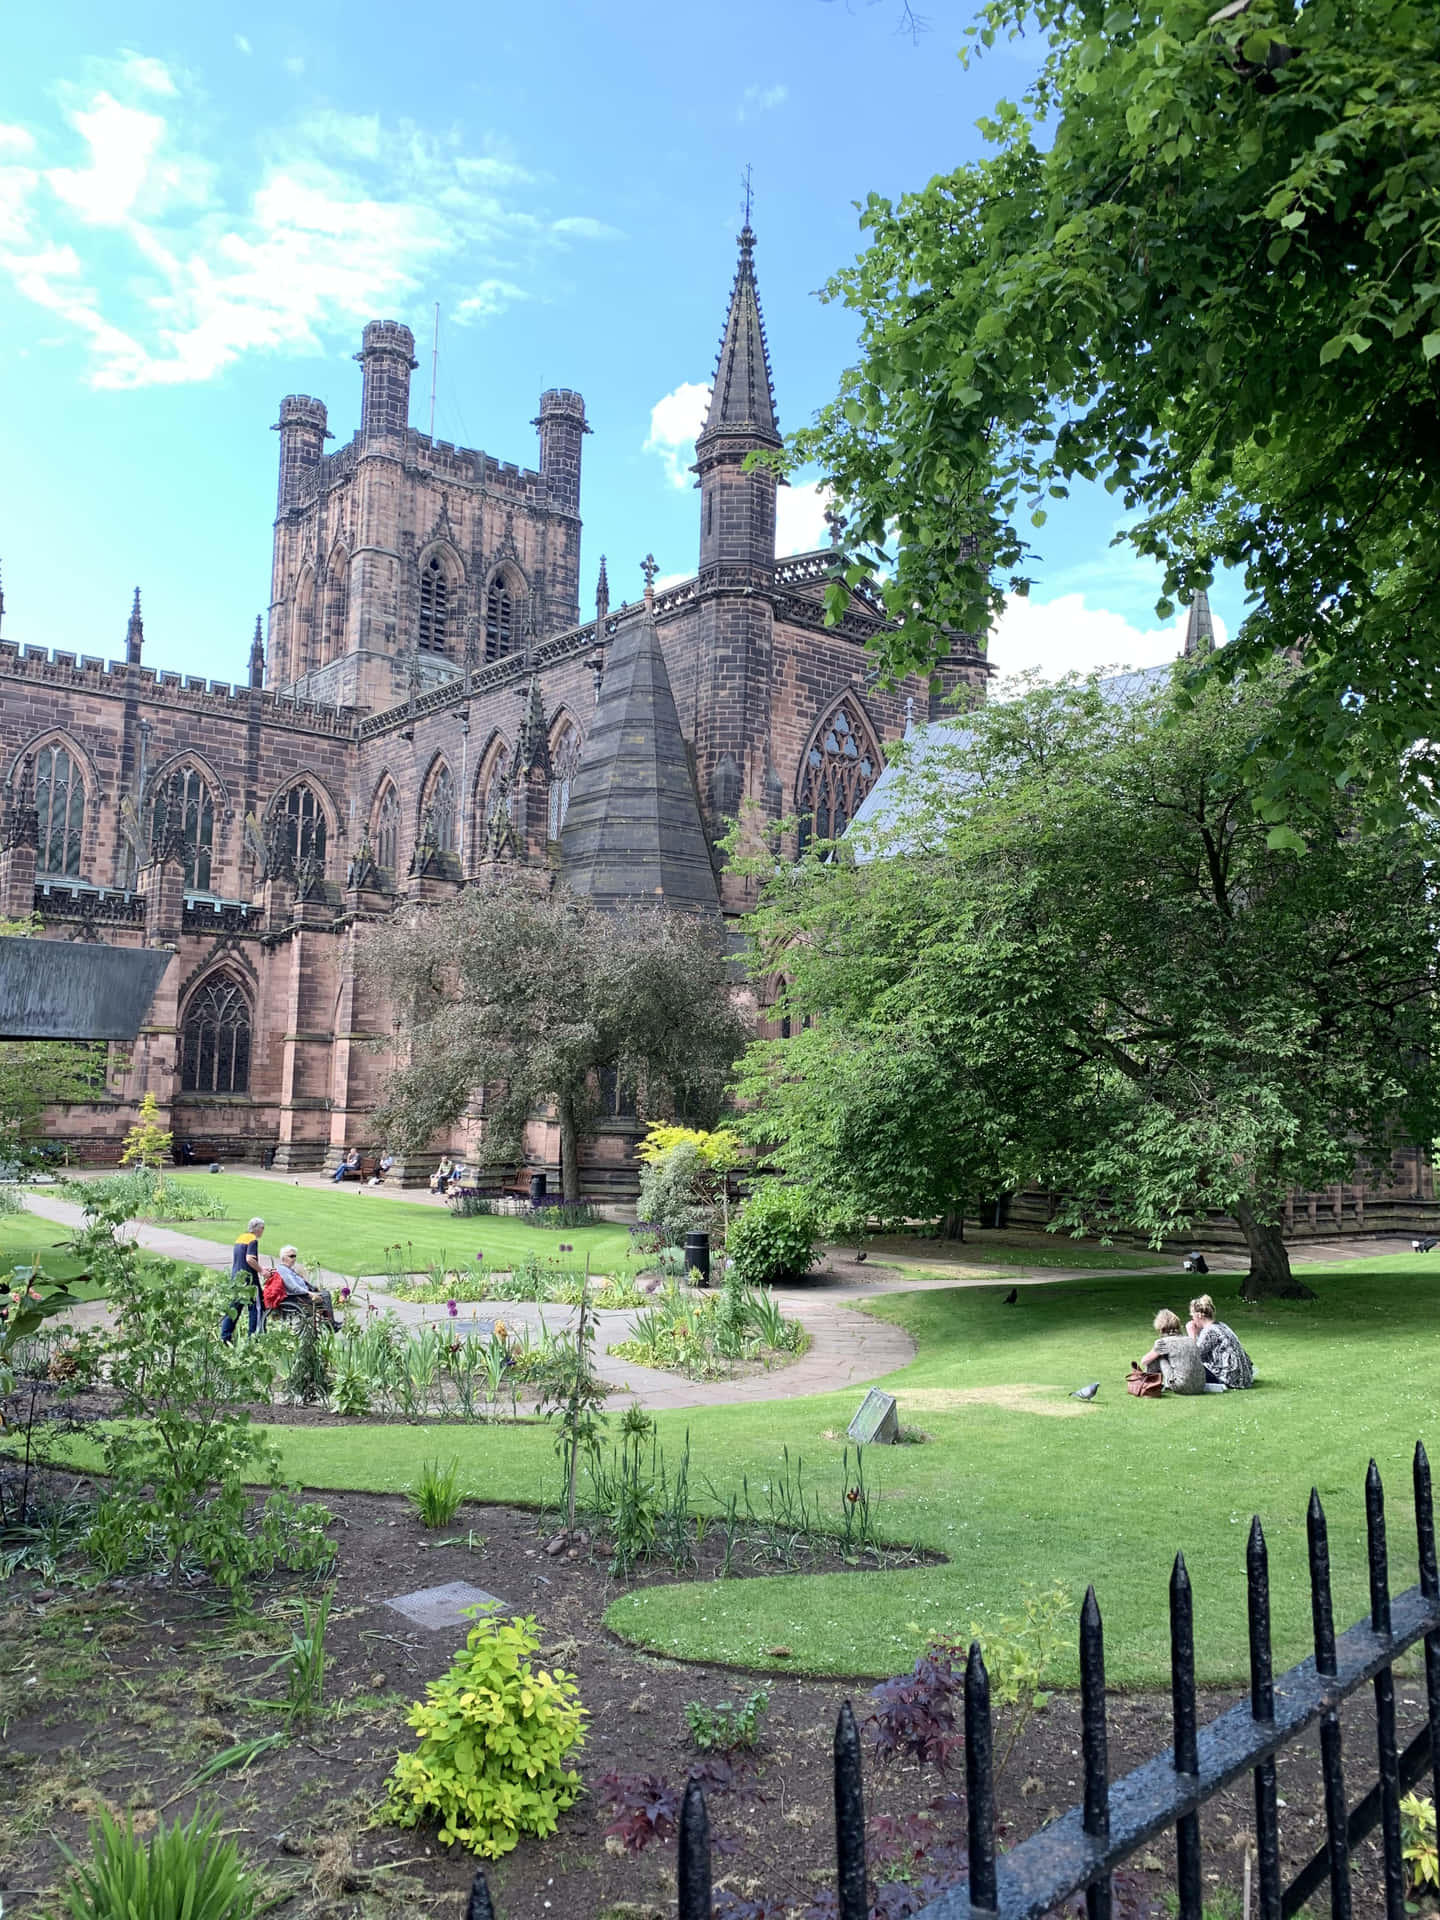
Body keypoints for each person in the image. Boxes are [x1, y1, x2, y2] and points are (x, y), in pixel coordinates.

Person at [1187, 1294, 1254, 1390]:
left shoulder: (1209, 1331)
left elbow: (1194, 1357)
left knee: (1187, 1366)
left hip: (1228, 1378)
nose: (1192, 1319)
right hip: (1244, 1377)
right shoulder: (1222, 1325)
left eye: (1192, 1315)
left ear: (1199, 1315)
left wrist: (1192, 1334)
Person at [1136, 1308, 1205, 1395]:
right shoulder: (1190, 1340)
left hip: (1181, 1386)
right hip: (1200, 1385)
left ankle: (1151, 1385)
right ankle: (1153, 1384)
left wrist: (1155, 1352)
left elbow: (1144, 1361)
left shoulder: (1163, 1343)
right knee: (1161, 1355)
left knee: (1157, 1357)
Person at [272, 1245, 339, 1330]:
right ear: (284, 1257)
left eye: (295, 1256)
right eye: (291, 1256)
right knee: (325, 1296)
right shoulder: (284, 1271)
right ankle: (331, 1325)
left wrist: (312, 1288)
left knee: (324, 1293)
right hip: (296, 1297)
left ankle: (329, 1322)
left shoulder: (288, 1269)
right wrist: (309, 1293)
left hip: (300, 1294)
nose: (294, 1259)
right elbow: (294, 1287)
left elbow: (300, 1283)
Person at [221, 1216, 266, 1342]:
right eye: (263, 1229)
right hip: (249, 1280)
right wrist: (262, 1270)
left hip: (237, 1278)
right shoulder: (252, 1240)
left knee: (235, 1308)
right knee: (257, 1308)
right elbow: (250, 1259)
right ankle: (255, 1337)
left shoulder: (240, 1238)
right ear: (259, 1229)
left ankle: (225, 1337)